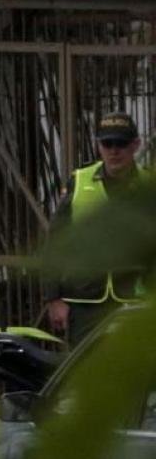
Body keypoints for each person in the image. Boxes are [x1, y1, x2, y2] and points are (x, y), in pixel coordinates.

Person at [44, 112, 153, 345]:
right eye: (107, 143)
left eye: (121, 144)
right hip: (85, 304)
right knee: (84, 373)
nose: (114, 151)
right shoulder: (79, 182)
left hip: (135, 301)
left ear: (135, 145)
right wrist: (54, 299)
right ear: (98, 146)